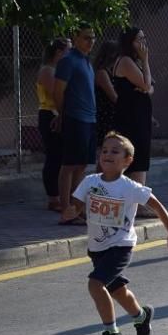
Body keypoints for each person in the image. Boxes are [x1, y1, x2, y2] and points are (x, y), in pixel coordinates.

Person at [61, 132, 168, 335]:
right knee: (117, 291)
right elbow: (76, 205)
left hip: (121, 245)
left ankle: (112, 333)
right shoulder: (90, 182)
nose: (107, 154)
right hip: (97, 248)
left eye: (115, 151)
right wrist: (70, 211)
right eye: (104, 150)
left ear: (127, 160)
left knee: (95, 284)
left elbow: (157, 206)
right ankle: (141, 316)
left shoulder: (130, 187)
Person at [53, 23, 98, 225]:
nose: (91, 41)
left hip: (90, 119)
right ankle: (65, 210)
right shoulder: (68, 61)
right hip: (75, 118)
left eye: (93, 38)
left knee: (81, 165)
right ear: (76, 37)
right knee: (69, 164)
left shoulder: (86, 61)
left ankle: (76, 208)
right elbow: (58, 92)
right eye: (87, 37)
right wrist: (62, 114)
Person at [111, 27, 154, 190]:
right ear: (129, 42)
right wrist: (145, 60)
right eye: (139, 40)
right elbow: (146, 84)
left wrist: (146, 86)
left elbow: (150, 86)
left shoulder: (134, 62)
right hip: (131, 119)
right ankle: (137, 200)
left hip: (140, 117)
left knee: (141, 156)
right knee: (137, 158)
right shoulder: (126, 61)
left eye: (144, 38)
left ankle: (136, 199)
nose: (143, 43)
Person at [36, 38, 70, 212]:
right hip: (50, 114)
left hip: (61, 114)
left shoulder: (59, 70)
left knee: (64, 156)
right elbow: (57, 95)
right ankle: (53, 198)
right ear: (58, 52)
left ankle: (64, 195)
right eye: (68, 51)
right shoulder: (48, 71)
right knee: (54, 156)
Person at [93, 41, 120, 148]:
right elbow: (113, 96)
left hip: (113, 113)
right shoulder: (102, 72)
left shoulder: (112, 70)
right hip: (105, 114)